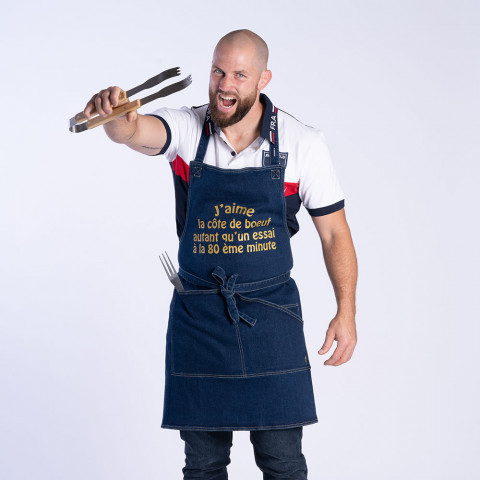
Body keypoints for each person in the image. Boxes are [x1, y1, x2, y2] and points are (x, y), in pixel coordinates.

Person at [84, 29, 358, 480]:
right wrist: (116, 117)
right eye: (217, 71)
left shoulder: (303, 143)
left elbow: (334, 235)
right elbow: (133, 131)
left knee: (283, 461)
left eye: (239, 75)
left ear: (263, 80)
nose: (224, 85)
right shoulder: (187, 128)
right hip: (200, 318)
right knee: (203, 464)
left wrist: (346, 311)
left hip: (271, 316)